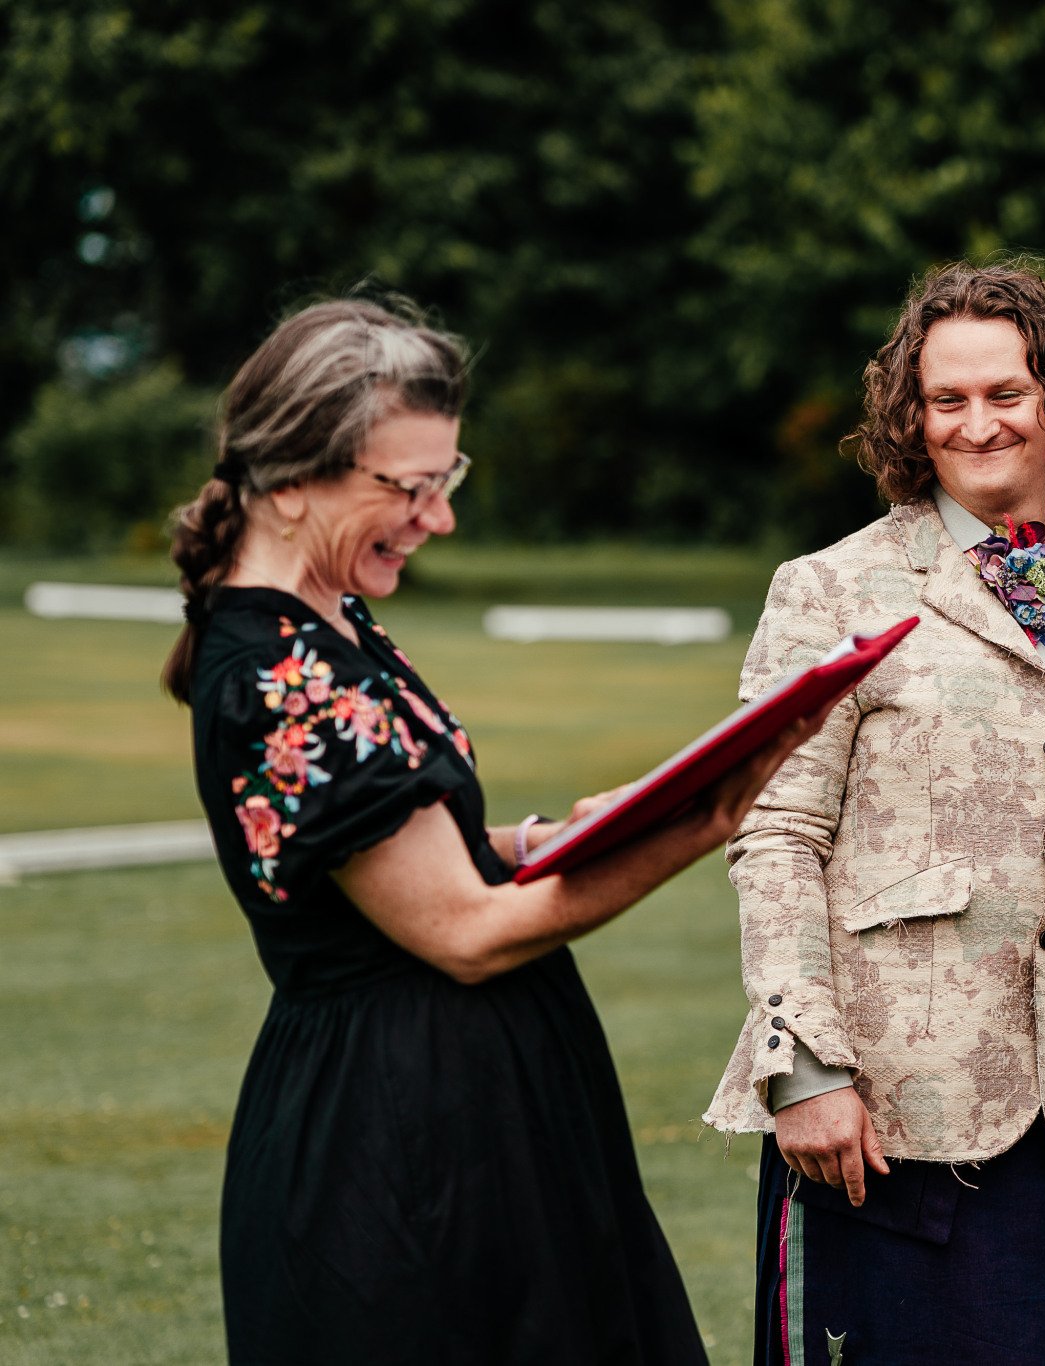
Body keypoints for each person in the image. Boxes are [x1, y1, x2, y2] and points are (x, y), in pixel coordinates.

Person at [163, 297, 812, 1365]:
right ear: (288, 480)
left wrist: (546, 835)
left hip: (473, 1107)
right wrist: (703, 818)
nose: (437, 517)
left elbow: (388, 849)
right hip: (400, 1142)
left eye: (444, 481)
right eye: (408, 488)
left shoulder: (328, 616)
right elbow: (463, 933)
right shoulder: (279, 672)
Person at [703, 259, 1045, 1365]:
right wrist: (804, 1066)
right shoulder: (830, 589)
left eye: (1006, 392)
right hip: (885, 1116)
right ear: (913, 417)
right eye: (947, 399)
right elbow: (777, 833)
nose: (977, 422)